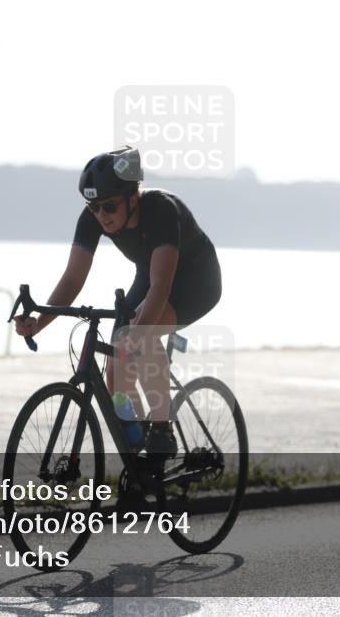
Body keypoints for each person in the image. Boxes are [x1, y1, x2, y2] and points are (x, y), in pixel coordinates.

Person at [13, 146, 222, 458]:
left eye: (109, 206)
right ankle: (138, 448)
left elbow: (162, 287)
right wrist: (39, 323)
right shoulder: (94, 218)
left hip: (195, 282)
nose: (101, 215)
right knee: (116, 373)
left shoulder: (161, 210)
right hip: (149, 277)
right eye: (93, 207)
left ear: (132, 198)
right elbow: (72, 279)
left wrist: (138, 336)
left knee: (140, 336)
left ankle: (162, 429)